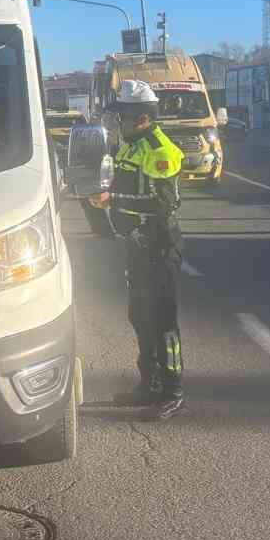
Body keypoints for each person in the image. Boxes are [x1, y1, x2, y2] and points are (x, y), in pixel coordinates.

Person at [87, 79, 186, 419]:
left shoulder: (161, 151)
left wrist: (112, 199)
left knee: (163, 323)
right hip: (137, 246)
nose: (119, 122)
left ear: (142, 117)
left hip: (159, 246)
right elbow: (119, 183)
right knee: (140, 317)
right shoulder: (129, 146)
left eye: (124, 116)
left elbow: (164, 205)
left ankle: (173, 391)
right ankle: (150, 384)